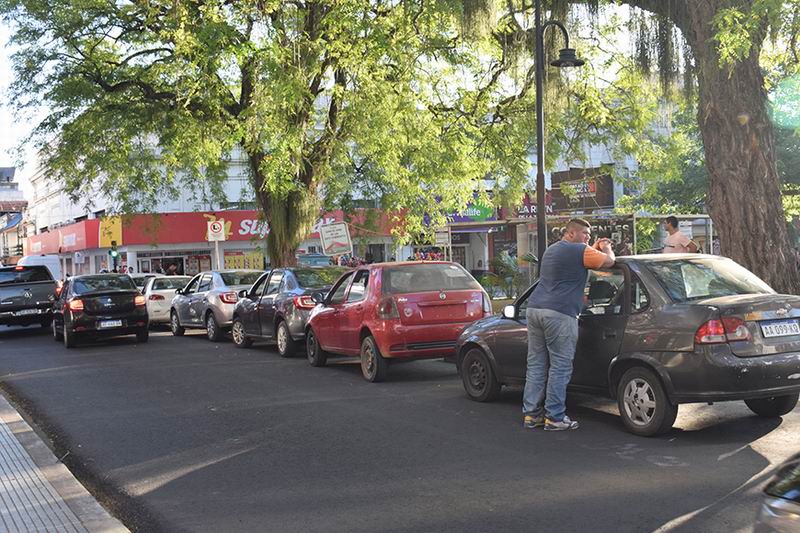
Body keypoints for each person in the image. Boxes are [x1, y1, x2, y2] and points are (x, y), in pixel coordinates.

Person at [524, 218, 615, 431]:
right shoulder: (579, 250)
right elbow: (608, 262)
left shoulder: (552, 250)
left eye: (589, 236)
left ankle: (531, 415)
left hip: (535, 309)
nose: (588, 238)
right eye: (585, 234)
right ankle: (555, 418)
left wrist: (592, 247)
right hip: (560, 313)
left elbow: (582, 258)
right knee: (560, 366)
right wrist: (607, 247)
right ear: (571, 233)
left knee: (536, 364)